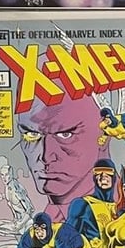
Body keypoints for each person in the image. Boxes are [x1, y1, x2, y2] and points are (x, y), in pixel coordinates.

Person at [16, 92, 111, 221]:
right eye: (32, 134)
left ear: (104, 135)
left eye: (65, 135)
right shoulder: (46, 221)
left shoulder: (120, 217)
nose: (45, 157)